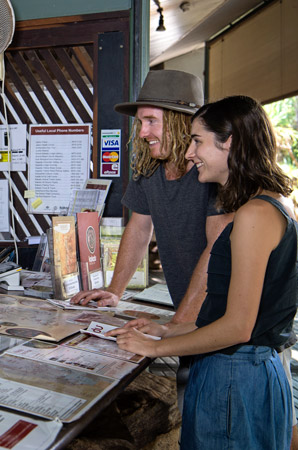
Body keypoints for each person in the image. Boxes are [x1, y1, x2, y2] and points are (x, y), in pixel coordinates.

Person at [108, 95, 298, 449]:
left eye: (198, 141)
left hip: (235, 375)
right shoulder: (270, 203)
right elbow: (229, 312)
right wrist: (167, 329)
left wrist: (154, 349)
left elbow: (238, 326)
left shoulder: (254, 214)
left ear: (229, 143)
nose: (189, 152)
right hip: (243, 371)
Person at [70, 70, 232, 411]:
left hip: (226, 320)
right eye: (140, 123)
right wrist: (115, 290)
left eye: (150, 121)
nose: (142, 133)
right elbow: (138, 229)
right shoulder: (148, 169)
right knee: (196, 413)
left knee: (256, 419)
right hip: (187, 314)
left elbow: (217, 251)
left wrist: (174, 328)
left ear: (178, 121)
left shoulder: (214, 171)